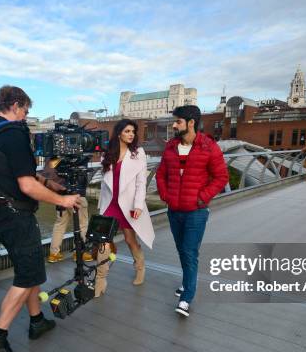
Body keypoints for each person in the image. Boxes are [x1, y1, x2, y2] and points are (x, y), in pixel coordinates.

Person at [0, 85, 80, 352]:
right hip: (16, 215)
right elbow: (26, 184)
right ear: (16, 105)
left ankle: (36, 320)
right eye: (26, 111)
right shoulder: (14, 134)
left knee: (30, 269)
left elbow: (13, 171)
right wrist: (63, 199)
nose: (26, 117)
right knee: (26, 276)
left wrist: (49, 183)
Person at [156, 105, 228, 317]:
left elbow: (221, 177)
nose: (174, 125)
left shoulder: (208, 146)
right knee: (182, 249)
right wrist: (165, 195)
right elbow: (161, 175)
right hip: (174, 210)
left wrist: (202, 197)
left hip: (196, 212)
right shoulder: (170, 147)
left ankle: (186, 297)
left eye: (177, 121)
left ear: (191, 122)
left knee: (189, 252)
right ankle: (187, 281)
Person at [95, 119, 155, 297]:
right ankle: (100, 280)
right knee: (103, 243)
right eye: (127, 131)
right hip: (109, 204)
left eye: (133, 132)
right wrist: (101, 206)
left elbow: (141, 183)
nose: (131, 134)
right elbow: (105, 184)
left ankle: (140, 267)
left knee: (130, 240)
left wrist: (138, 205)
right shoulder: (108, 154)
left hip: (128, 205)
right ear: (119, 133)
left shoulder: (138, 153)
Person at [46, 162, 93, 263]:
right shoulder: (80, 156)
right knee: (82, 225)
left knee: (60, 224)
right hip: (77, 195)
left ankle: (54, 254)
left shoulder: (57, 156)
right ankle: (79, 253)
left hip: (61, 195)